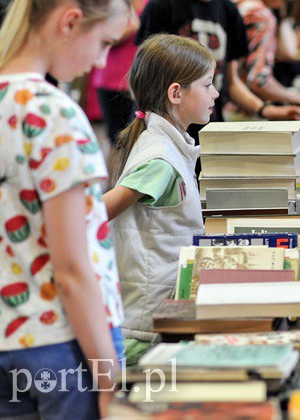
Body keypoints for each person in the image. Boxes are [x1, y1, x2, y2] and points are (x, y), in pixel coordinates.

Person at [0, 0, 130, 417]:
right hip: (62, 343)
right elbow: (71, 269)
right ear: (69, 22)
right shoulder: (53, 113)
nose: (101, 64)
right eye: (104, 43)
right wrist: (110, 376)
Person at [103, 34, 216, 366]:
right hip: (147, 326)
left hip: (157, 311)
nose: (216, 94)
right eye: (208, 85)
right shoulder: (160, 161)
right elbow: (94, 213)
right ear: (176, 93)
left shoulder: (165, 142)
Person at [136, 0, 300, 139]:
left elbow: (231, 83)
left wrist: (265, 110)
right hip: (169, 132)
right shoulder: (162, 5)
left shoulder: (229, 11)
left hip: (212, 129)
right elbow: (145, 80)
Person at [223, 0, 300, 105]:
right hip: (241, 107)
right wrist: (296, 98)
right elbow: (258, 81)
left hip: (215, 99)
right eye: (285, 0)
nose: (281, 6)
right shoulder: (261, 16)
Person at [89, 0, 150, 143]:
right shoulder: (110, 2)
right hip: (112, 80)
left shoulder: (148, 1)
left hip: (140, 79)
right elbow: (100, 37)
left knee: (139, 136)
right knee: (117, 139)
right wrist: (129, 30)